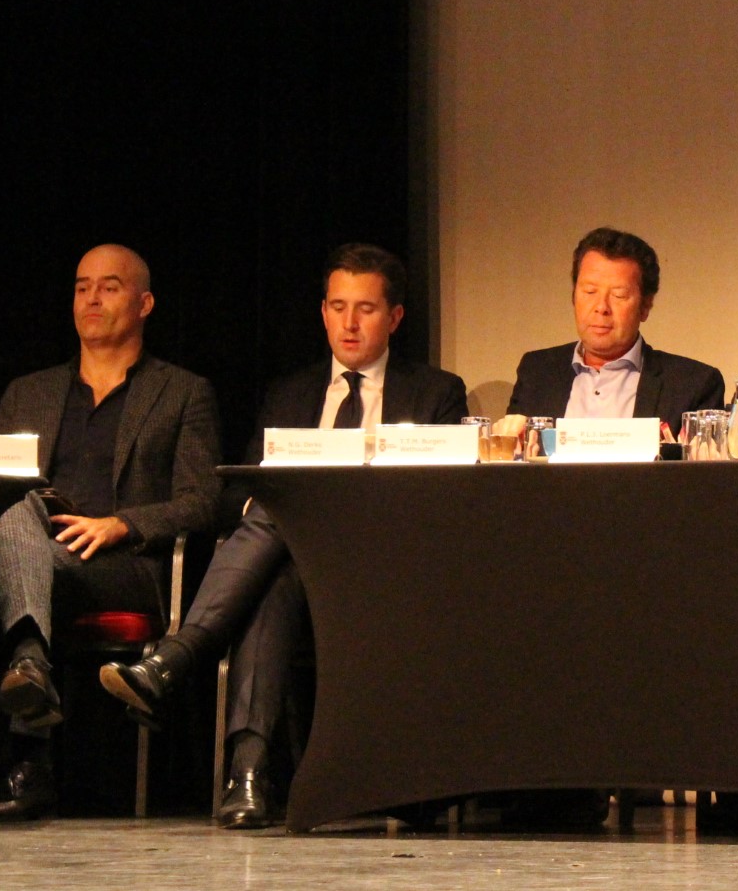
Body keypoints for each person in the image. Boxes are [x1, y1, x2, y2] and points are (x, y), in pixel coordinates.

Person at [99, 243, 467, 829]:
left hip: (383, 565)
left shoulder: (436, 392)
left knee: (282, 509)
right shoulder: (290, 394)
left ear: (395, 317)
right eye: (338, 307)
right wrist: (283, 507)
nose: (349, 323)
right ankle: (247, 777)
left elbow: (443, 496)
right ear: (322, 311)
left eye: (366, 309)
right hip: (296, 561)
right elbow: (236, 493)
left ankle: (181, 655)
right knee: (275, 555)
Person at [0, 244, 222, 821]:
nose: (91, 298)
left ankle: (29, 744)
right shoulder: (27, 392)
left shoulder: (183, 392)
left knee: (13, 551)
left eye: (109, 287)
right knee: (11, 506)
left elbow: (204, 502)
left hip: (124, 567)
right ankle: (31, 668)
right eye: (82, 286)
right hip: (34, 550)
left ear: (145, 304)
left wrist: (122, 524)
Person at [506, 227, 724, 430]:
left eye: (619, 295)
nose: (601, 307)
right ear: (573, 296)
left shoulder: (692, 385)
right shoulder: (537, 372)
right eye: (590, 292)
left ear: (645, 306)